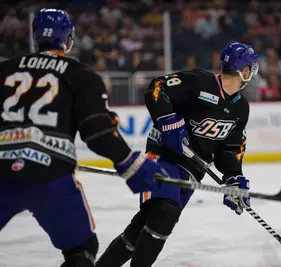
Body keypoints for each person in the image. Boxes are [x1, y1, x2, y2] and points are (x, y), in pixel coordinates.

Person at [0, 9, 166, 267]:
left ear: (35, 38)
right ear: (68, 40)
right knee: (82, 250)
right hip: (51, 177)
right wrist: (130, 164)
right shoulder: (80, 74)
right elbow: (97, 132)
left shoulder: (4, 69)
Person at [96, 41, 259, 267]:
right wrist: (167, 119)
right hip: (163, 156)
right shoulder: (199, 82)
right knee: (165, 213)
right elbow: (157, 87)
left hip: (192, 171)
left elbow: (229, 148)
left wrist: (233, 176)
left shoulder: (241, 109)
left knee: (141, 228)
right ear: (245, 70)